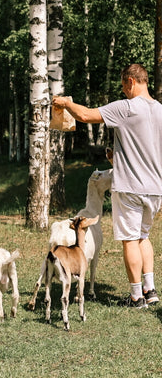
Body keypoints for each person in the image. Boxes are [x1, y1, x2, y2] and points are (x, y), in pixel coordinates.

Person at [53, 63, 162, 308]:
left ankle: (136, 297)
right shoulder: (160, 111)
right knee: (144, 236)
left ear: (131, 82)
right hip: (155, 187)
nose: (123, 91)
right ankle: (150, 289)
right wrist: (120, 159)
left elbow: (85, 115)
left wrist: (66, 104)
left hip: (130, 187)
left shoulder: (126, 107)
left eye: (124, 86)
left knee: (130, 239)